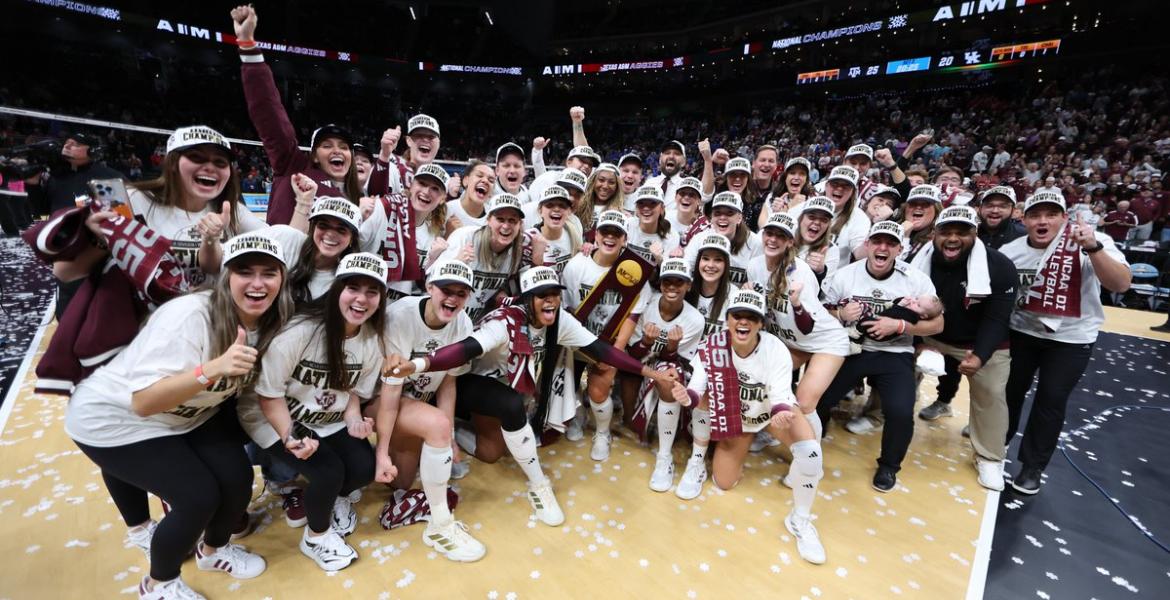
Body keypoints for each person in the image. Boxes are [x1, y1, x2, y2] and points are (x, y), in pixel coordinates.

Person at [64, 232, 292, 599]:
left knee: (236, 478)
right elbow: (143, 403)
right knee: (197, 497)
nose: (257, 283)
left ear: (283, 279)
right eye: (244, 271)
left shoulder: (273, 319)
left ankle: (213, 551)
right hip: (116, 420)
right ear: (225, 277)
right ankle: (158, 583)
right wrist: (212, 369)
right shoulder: (188, 316)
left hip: (188, 413)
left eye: (269, 272)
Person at [387, 267, 675, 525]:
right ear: (526, 300)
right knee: (511, 406)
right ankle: (539, 484)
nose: (549, 300)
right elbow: (466, 350)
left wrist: (653, 373)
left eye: (554, 294)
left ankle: (454, 431)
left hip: (503, 391)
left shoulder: (559, 321)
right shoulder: (503, 323)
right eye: (540, 295)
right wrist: (418, 364)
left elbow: (601, 350)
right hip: (465, 385)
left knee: (491, 453)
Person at [244, 253, 385, 571]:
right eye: (353, 287)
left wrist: (354, 419)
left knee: (363, 467)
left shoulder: (372, 341)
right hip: (273, 414)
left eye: (372, 291)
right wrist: (290, 434)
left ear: (381, 299)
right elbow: (268, 395)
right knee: (328, 470)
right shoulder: (301, 331)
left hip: (325, 417)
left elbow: (352, 393)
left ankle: (334, 497)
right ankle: (316, 538)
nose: (361, 299)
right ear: (337, 290)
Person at [669, 288, 827, 565]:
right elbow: (697, 387)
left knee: (811, 454)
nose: (743, 322)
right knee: (723, 483)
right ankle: (710, 460)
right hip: (739, 421)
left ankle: (800, 520)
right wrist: (688, 396)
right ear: (728, 319)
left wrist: (780, 412)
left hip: (772, 413)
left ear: (760, 324)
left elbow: (780, 392)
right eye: (737, 315)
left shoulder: (774, 347)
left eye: (751, 317)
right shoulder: (713, 345)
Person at [1000, 192, 1131, 494]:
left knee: (1050, 401)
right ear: (1024, 219)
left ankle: (1033, 467)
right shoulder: (1012, 250)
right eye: (1035, 215)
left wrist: (1093, 248)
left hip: (1071, 338)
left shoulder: (1092, 240)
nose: (1043, 221)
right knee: (1007, 394)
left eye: (1051, 214)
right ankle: (994, 449)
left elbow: (1121, 284)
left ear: (1063, 217)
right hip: (1021, 332)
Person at [816, 221, 944, 492]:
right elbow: (820, 312)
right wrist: (839, 314)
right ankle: (813, 441)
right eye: (877, 242)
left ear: (899, 249)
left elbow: (938, 324)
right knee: (819, 396)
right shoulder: (845, 275)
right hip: (851, 348)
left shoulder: (916, 278)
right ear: (868, 245)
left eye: (890, 243)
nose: (882, 247)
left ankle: (889, 466)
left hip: (895, 352)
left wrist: (900, 326)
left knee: (899, 411)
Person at [376, 260, 485, 562]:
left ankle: (424, 471)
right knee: (434, 425)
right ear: (429, 288)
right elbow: (390, 390)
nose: (452, 299)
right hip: (380, 399)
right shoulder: (401, 316)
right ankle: (440, 525)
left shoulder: (463, 324)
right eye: (446, 290)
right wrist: (381, 452)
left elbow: (447, 385)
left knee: (402, 482)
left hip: (416, 402)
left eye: (461, 293)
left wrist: (449, 439)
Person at [910, 206, 1018, 490]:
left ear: (975, 234)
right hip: (931, 334)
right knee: (891, 360)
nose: (953, 238)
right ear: (935, 235)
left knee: (992, 391)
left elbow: (997, 318)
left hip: (979, 341)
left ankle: (990, 457)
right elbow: (904, 305)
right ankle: (879, 413)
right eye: (946, 232)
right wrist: (919, 344)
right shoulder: (917, 260)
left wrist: (981, 355)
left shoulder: (1000, 266)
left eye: (962, 232)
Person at [232, 5, 361, 225]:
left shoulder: (359, 195)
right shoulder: (294, 165)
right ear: (313, 156)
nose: (337, 150)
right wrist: (247, 45)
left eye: (343, 146)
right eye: (327, 145)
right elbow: (269, 113)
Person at [747, 212, 849, 451]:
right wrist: (749, 296)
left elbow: (808, 325)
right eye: (769, 233)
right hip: (792, 341)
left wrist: (796, 303)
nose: (773, 240)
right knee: (758, 379)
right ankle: (771, 431)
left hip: (824, 342)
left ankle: (811, 456)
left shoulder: (800, 272)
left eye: (780, 236)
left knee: (803, 403)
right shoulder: (754, 266)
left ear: (790, 241)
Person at [560, 210, 651, 461]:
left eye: (617, 234)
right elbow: (567, 310)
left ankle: (603, 432)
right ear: (596, 235)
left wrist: (613, 355)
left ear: (625, 239)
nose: (610, 238)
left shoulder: (635, 271)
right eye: (605, 232)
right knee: (569, 382)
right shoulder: (577, 265)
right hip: (576, 338)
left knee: (599, 390)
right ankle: (576, 415)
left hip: (609, 342)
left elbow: (633, 317)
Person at [624, 258, 705, 491]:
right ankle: (641, 423)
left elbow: (682, 361)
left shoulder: (694, 319)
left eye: (679, 282)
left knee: (671, 382)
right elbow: (632, 352)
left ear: (689, 285)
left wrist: (670, 349)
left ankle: (664, 456)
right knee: (630, 422)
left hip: (670, 365)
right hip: (640, 363)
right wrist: (647, 342)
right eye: (667, 281)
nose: (672, 287)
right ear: (660, 284)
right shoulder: (646, 307)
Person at [432, 193, 541, 321]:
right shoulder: (466, 237)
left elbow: (499, 291)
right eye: (500, 219)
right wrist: (457, 263)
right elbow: (431, 281)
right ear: (488, 219)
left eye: (512, 220)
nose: (506, 226)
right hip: (443, 317)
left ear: (520, 224)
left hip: (473, 325)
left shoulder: (516, 253)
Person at [361, 163, 452, 300]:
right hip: (363, 303)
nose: (426, 191)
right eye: (422, 183)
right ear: (411, 185)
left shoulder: (433, 237)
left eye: (435, 189)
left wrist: (431, 262)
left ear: (442, 199)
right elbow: (353, 247)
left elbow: (419, 289)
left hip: (396, 313)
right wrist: (360, 217)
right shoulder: (382, 209)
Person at [685, 192, 761, 286]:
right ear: (711, 218)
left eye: (729, 213)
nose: (722, 217)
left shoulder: (755, 243)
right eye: (717, 213)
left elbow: (759, 280)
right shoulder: (699, 239)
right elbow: (686, 270)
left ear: (739, 218)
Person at [529, 185, 582, 274]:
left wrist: (586, 249)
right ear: (540, 211)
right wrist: (536, 259)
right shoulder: (528, 238)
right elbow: (523, 282)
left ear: (569, 211)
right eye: (550, 205)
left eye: (562, 206)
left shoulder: (573, 232)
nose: (557, 209)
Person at [625, 185, 679, 264]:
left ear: (662, 209)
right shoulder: (627, 226)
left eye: (653, 203)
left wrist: (659, 259)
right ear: (636, 209)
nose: (646, 208)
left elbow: (670, 273)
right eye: (641, 203)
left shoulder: (672, 236)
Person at [793, 197, 841, 281]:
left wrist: (820, 273)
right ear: (801, 219)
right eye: (812, 217)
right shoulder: (786, 238)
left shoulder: (831, 250)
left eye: (824, 220)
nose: (817, 222)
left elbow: (821, 293)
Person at [761, 157, 815, 226]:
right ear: (785, 177)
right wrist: (775, 214)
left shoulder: (812, 200)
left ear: (806, 180)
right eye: (792, 173)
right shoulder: (773, 197)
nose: (796, 178)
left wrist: (792, 211)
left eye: (802, 174)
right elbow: (763, 228)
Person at [445, 160, 496, 231]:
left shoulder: (494, 218)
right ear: (465, 181)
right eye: (479, 175)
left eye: (491, 180)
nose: (485, 181)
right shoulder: (446, 210)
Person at [646, 139, 688, 211]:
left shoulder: (687, 187)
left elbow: (707, 195)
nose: (671, 156)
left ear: (683, 162)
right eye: (667, 153)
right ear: (660, 159)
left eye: (677, 153)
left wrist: (707, 160)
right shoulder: (649, 183)